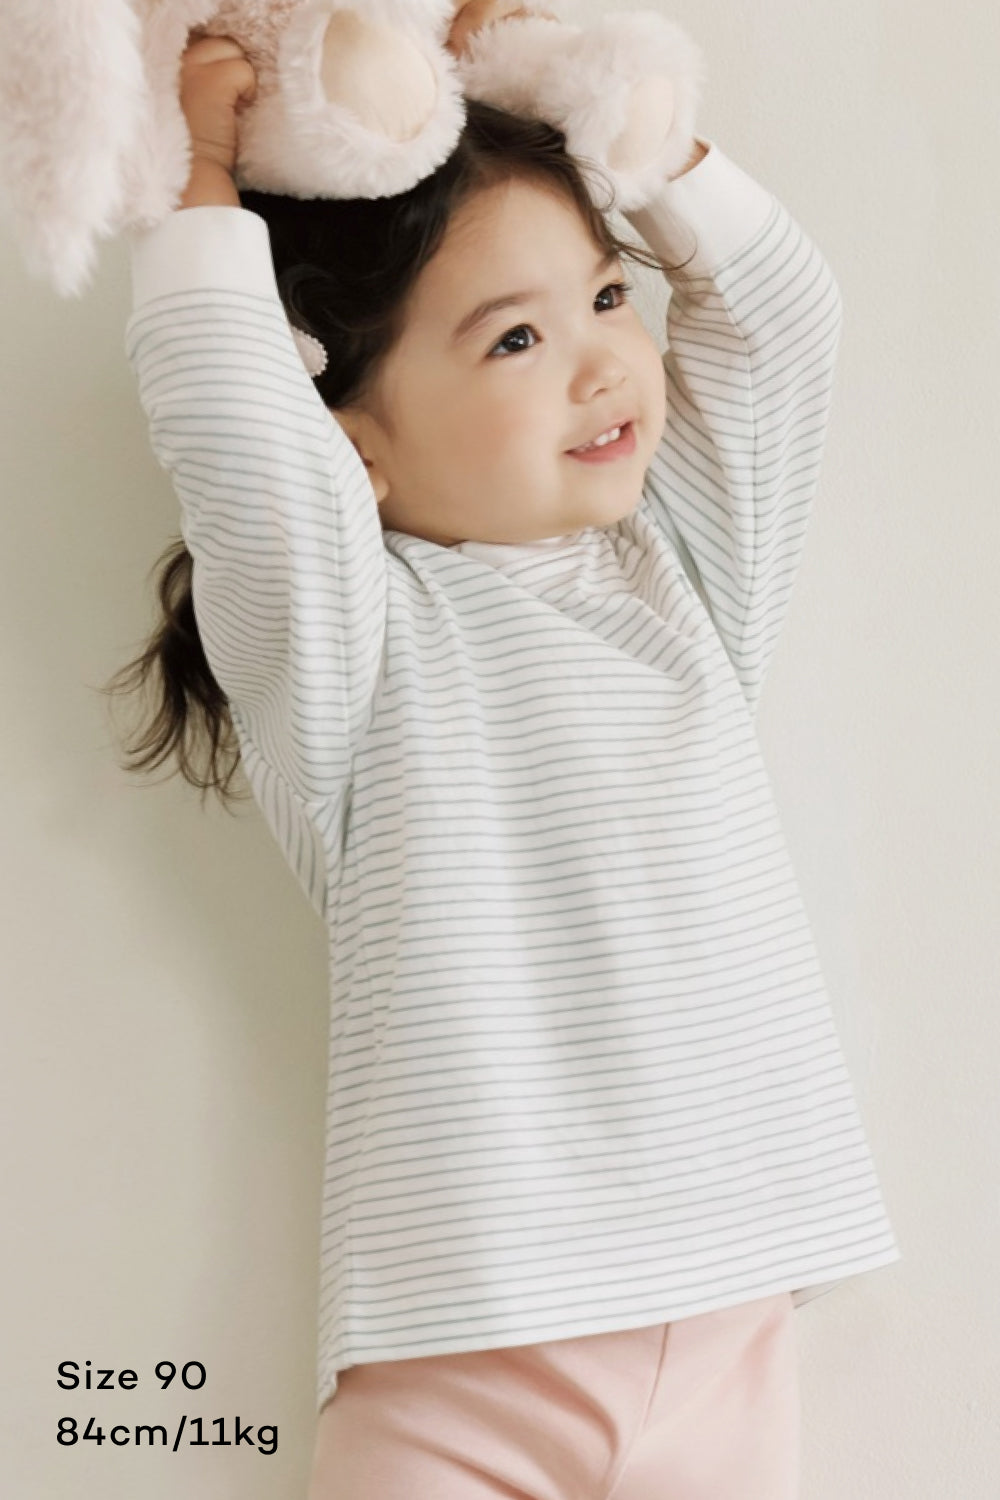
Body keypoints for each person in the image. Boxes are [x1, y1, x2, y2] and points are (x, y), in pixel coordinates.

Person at [110, 19, 900, 1499]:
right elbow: (238, 438)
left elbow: (783, 319)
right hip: (462, 1352)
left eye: (605, 295)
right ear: (357, 449)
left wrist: (603, 110)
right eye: (515, 339)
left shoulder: (685, 582)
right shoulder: (351, 650)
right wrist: (198, 177)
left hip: (730, 1319)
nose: (602, 362)